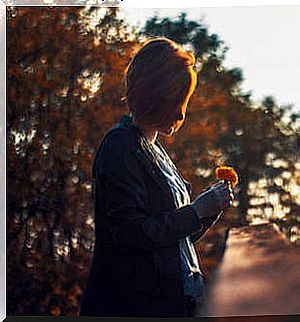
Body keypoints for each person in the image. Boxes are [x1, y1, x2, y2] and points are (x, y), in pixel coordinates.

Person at [79, 37, 234, 317]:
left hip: (180, 300)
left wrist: (209, 209)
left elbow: (173, 238)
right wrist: (196, 210)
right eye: (176, 100)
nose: (181, 112)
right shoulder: (120, 146)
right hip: (138, 307)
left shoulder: (158, 153)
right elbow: (130, 234)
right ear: (155, 96)